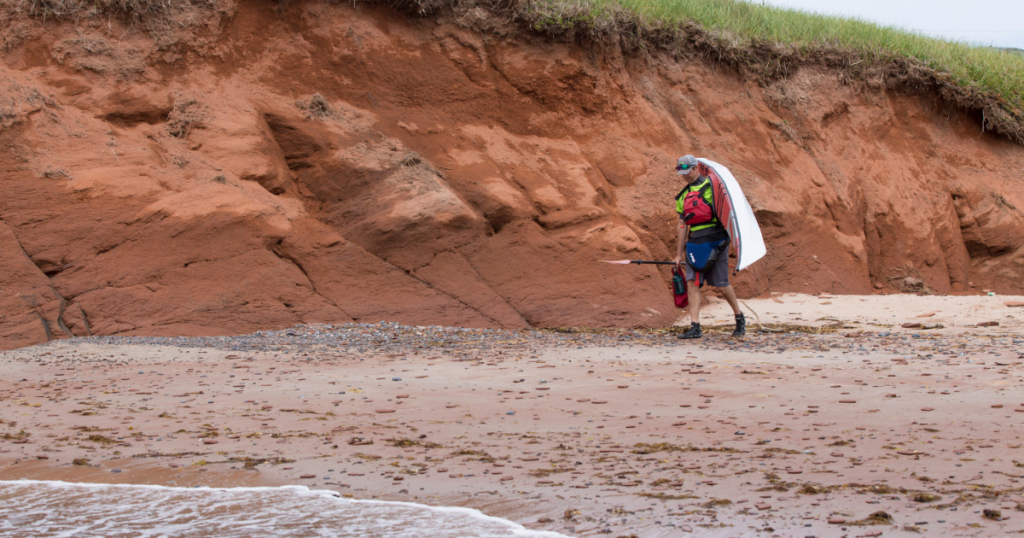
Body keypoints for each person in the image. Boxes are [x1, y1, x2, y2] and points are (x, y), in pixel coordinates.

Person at [671, 155, 745, 339]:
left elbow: (730, 215)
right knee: (692, 282)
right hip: (695, 242)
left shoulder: (716, 189)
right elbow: (682, 225)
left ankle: (739, 317)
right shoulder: (682, 197)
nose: (685, 176)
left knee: (721, 284)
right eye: (682, 174)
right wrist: (678, 254)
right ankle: (695, 326)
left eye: (688, 172)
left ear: (696, 168)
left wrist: (739, 246)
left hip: (717, 241)